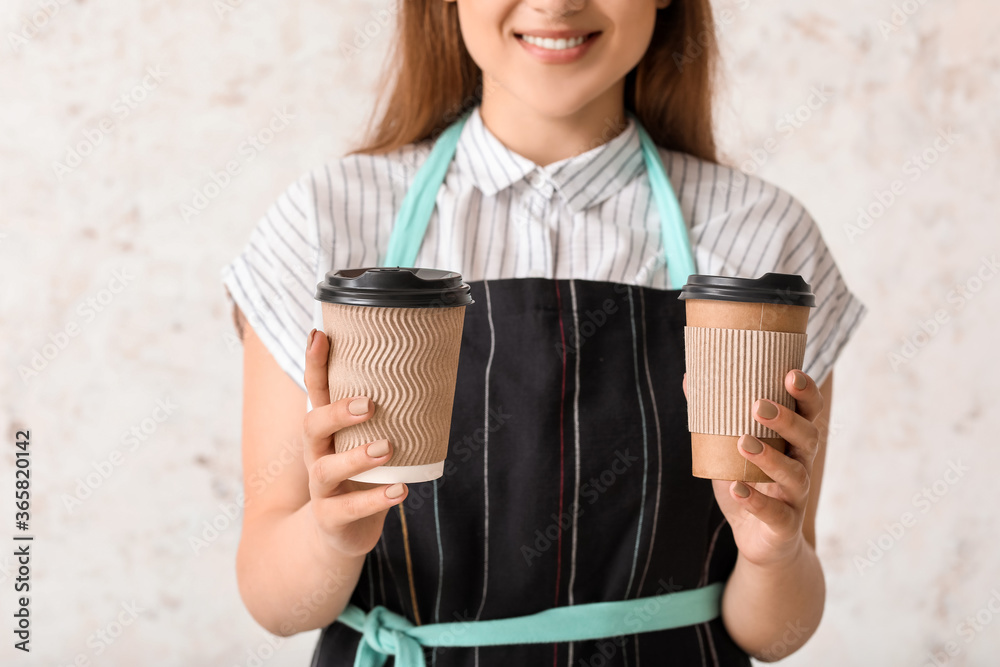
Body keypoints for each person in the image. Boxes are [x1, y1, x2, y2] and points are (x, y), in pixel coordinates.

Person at [219, 0, 867, 665]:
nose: (557, 4)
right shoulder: (326, 222)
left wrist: (773, 552)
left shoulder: (763, 239)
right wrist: (331, 537)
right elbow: (275, 604)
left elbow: (774, 631)